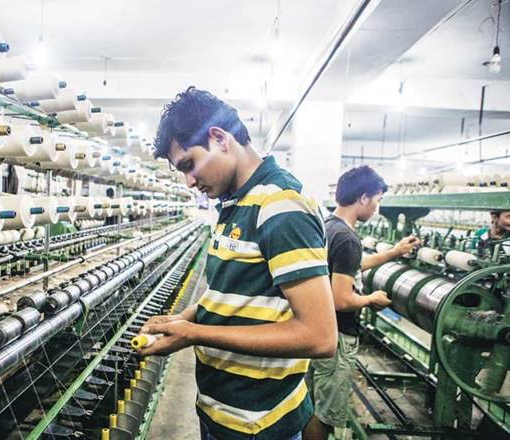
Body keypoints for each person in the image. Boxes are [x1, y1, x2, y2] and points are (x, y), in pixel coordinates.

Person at [137, 87, 338, 440]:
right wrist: (185, 318)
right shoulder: (235, 203)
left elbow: (320, 336)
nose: (189, 181)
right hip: (223, 412)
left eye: (189, 164)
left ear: (219, 138)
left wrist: (194, 334)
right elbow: (232, 294)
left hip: (258, 424)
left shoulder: (281, 205)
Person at [303, 166, 419, 440]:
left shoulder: (329, 227)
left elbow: (349, 267)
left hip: (319, 329)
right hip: (338, 337)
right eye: (377, 200)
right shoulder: (348, 239)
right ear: (364, 198)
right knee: (326, 414)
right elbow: (342, 299)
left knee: (309, 403)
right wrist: (371, 299)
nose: (377, 207)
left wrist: (394, 252)